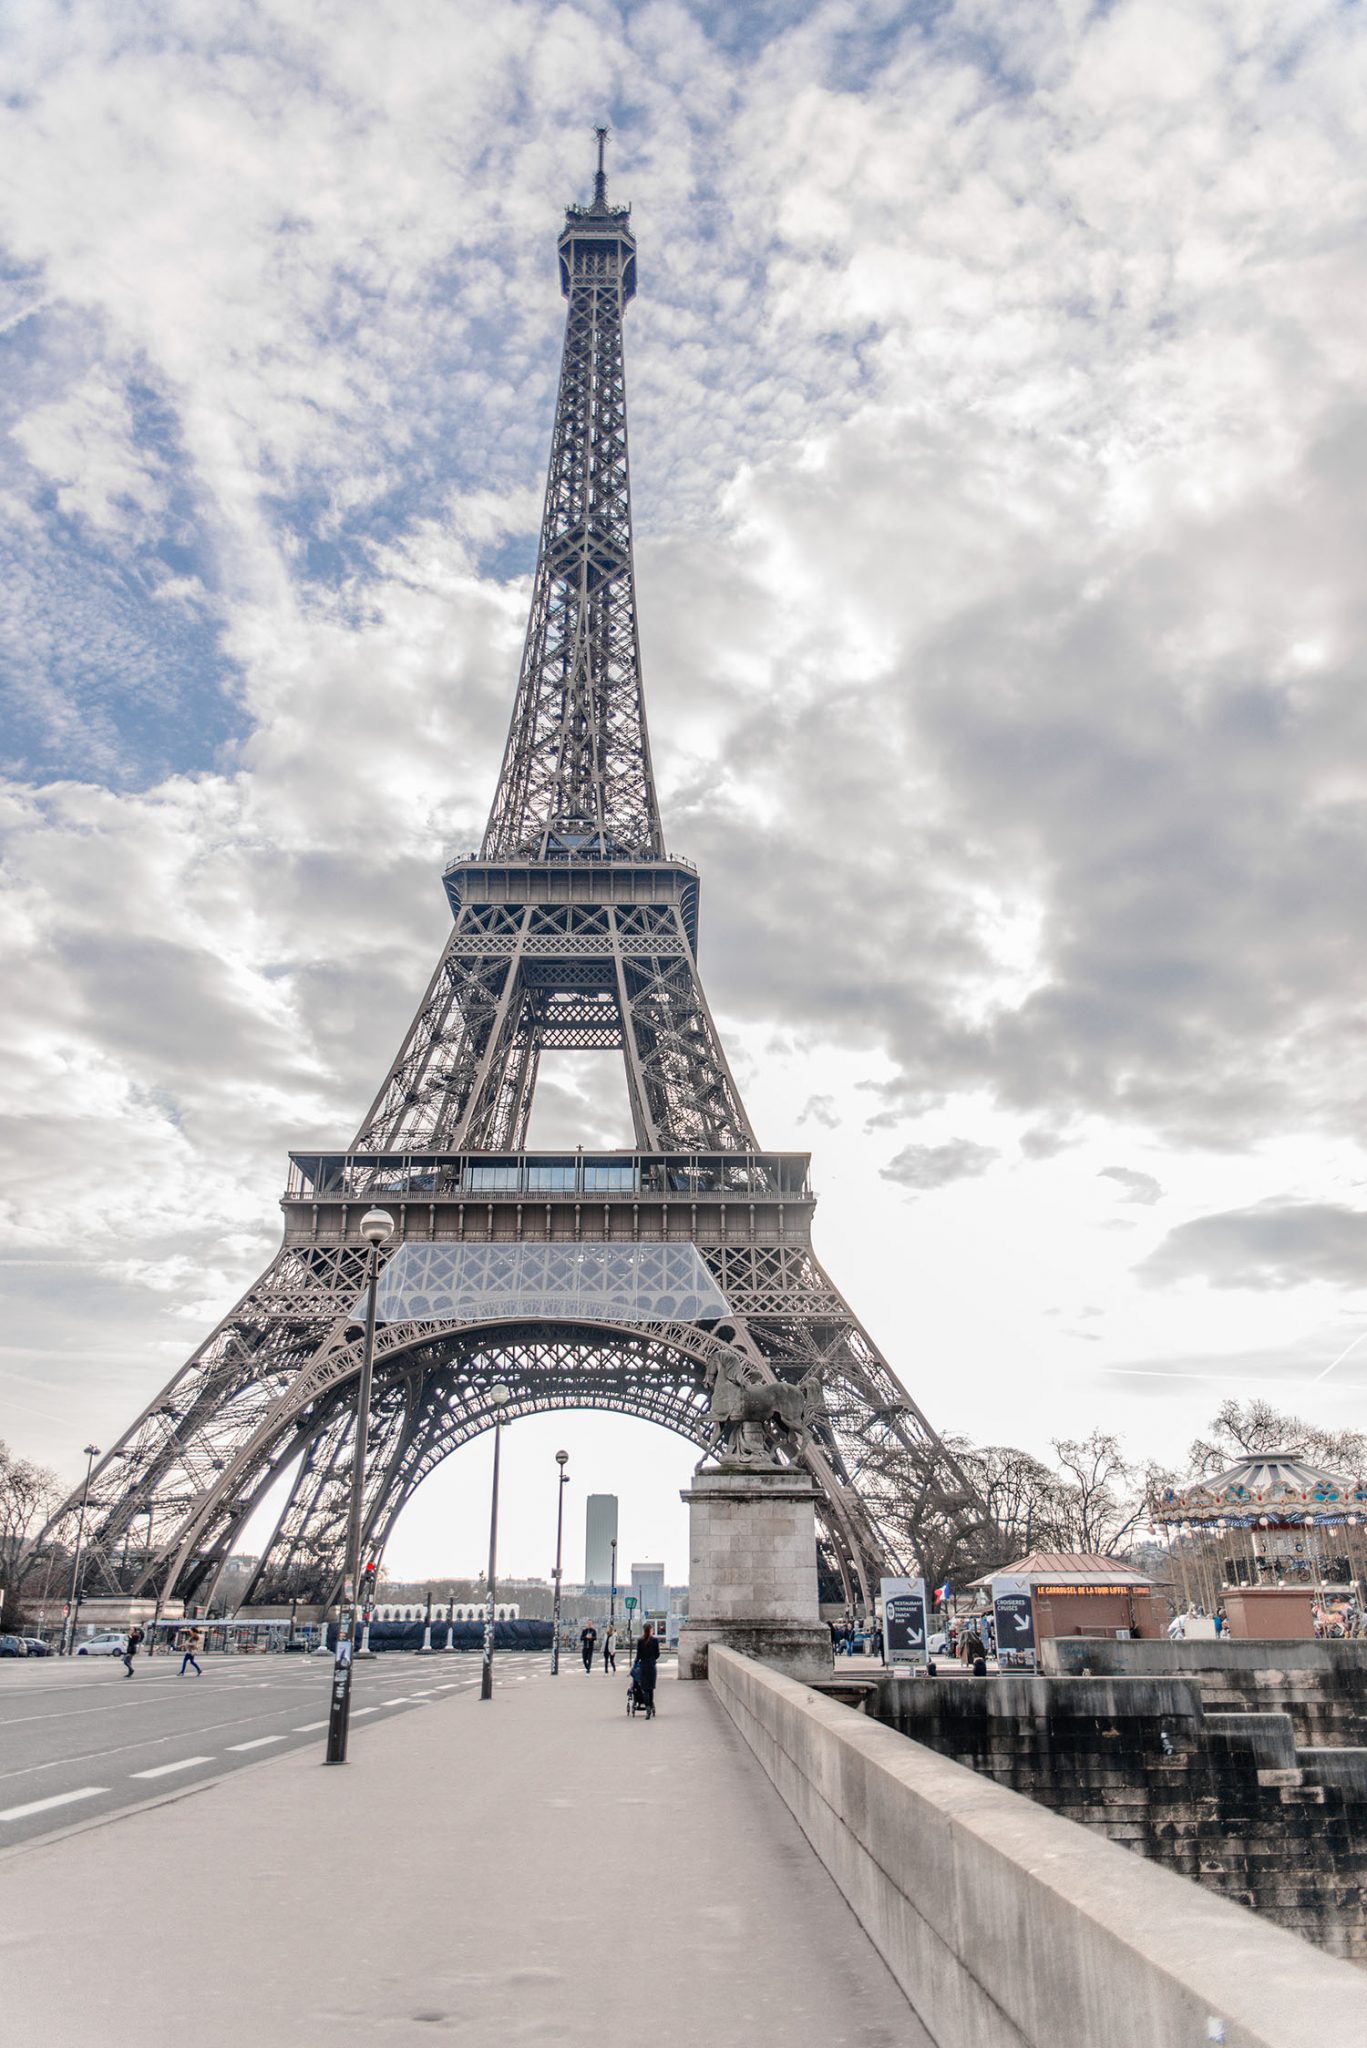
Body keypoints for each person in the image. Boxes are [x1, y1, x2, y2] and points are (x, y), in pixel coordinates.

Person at [632, 1621, 660, 1718]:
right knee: (651, 1688)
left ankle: (647, 1707)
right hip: (652, 1666)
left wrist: (635, 1664)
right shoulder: (655, 1641)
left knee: (645, 1689)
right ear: (651, 1630)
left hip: (643, 1667)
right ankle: (651, 1706)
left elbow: (638, 1655)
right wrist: (652, 1659)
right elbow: (657, 1654)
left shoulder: (640, 1641)